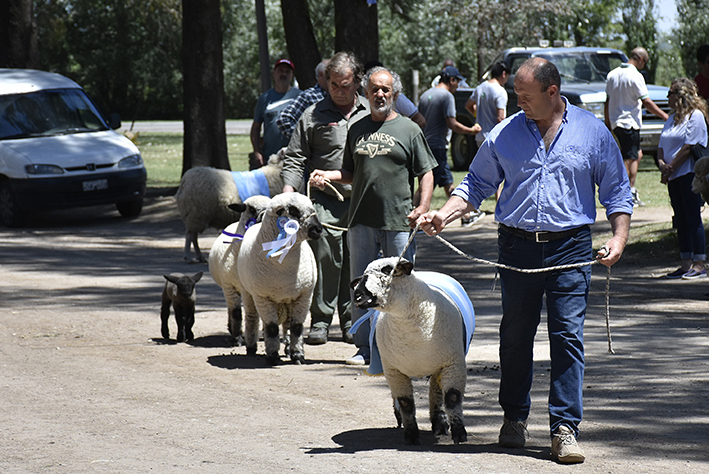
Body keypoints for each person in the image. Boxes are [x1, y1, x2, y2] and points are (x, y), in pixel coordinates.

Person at [418, 58, 633, 464]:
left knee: (567, 335)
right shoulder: (504, 134)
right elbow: (476, 183)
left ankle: (564, 429)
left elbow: (617, 190)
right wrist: (443, 215)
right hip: (516, 248)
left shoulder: (592, 132)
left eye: (526, 96)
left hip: (570, 247)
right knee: (516, 337)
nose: (519, 103)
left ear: (553, 93)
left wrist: (619, 238)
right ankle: (514, 419)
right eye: (516, 94)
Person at [308, 66, 437, 365]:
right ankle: (364, 348)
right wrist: (327, 174)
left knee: (403, 286)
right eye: (374, 89)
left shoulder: (409, 129)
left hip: (399, 222)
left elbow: (427, 171)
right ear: (365, 94)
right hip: (360, 220)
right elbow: (351, 173)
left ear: (395, 94)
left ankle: (409, 349)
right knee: (361, 285)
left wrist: (423, 207)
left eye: (386, 89)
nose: (380, 94)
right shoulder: (356, 128)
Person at [281, 52, 369, 346]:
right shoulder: (313, 115)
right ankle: (320, 321)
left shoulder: (371, 113)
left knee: (356, 262)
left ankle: (351, 321)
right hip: (325, 201)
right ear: (326, 82)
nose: (339, 91)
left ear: (357, 82)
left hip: (362, 200)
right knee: (327, 258)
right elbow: (294, 158)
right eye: (334, 84)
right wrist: (288, 196)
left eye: (345, 85)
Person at [656, 78, 709, 279]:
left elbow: (689, 146)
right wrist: (662, 164)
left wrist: (670, 167)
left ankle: (699, 263)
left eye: (670, 93)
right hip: (673, 176)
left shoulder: (695, 117)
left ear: (681, 96)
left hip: (687, 174)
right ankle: (685, 262)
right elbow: (661, 145)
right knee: (681, 218)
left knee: (693, 217)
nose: (667, 97)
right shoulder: (671, 119)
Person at [605, 47, 668, 207]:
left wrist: (607, 122)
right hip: (629, 123)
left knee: (636, 154)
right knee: (629, 159)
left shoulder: (612, 74)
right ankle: (626, 193)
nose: (644, 66)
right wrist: (665, 116)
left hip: (616, 123)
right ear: (640, 59)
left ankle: (627, 190)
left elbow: (607, 100)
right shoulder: (635, 76)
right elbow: (646, 101)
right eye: (645, 62)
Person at [418, 66, 481, 199]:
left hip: (425, 146)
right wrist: (470, 131)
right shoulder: (447, 97)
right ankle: (412, 213)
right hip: (437, 148)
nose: (458, 86)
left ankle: (465, 216)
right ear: (452, 80)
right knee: (426, 188)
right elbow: (451, 123)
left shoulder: (424, 95)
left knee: (448, 183)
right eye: (457, 82)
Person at [462, 60, 511, 225]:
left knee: (483, 172)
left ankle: (478, 206)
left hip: (480, 136)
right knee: (500, 172)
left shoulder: (480, 87)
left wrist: (477, 116)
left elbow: (468, 105)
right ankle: (499, 207)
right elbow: (500, 118)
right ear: (504, 74)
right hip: (494, 136)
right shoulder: (501, 91)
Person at [250, 58, 301, 169]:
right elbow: (255, 128)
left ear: (292, 75)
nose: (284, 74)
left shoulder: (301, 97)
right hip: (270, 157)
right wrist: (257, 151)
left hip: (294, 157)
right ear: (274, 73)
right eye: (280, 70)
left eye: (287, 72)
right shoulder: (265, 98)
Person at [276, 59, 330, 140]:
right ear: (321, 75)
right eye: (331, 74)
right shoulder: (310, 96)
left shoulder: (336, 96)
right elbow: (283, 119)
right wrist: (304, 141)